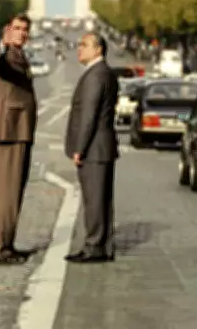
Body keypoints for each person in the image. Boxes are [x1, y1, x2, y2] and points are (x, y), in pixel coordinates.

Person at [64, 31, 119, 263]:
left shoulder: (96, 75)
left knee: (94, 200)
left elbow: (89, 115)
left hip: (94, 147)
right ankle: (102, 245)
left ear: (98, 49)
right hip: (102, 146)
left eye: (84, 45)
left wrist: (80, 148)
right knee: (101, 199)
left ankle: (94, 246)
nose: (80, 49)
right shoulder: (103, 72)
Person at [0, 13, 38, 265]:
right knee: (7, 193)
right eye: (17, 28)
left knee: (14, 191)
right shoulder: (5, 56)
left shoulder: (19, 55)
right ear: (7, 30)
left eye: (25, 29)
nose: (22, 33)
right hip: (10, 130)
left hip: (20, 130)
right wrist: (1, 44)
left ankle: (7, 244)